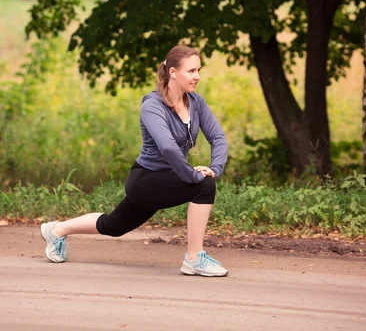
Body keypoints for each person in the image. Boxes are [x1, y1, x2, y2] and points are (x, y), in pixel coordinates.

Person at [40, 45, 229, 277]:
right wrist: (193, 176)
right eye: (191, 71)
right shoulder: (152, 106)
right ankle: (194, 258)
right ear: (172, 73)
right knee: (203, 187)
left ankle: (56, 230)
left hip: (169, 177)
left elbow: (218, 137)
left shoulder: (196, 103)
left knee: (114, 226)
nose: (197, 76)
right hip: (145, 180)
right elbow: (168, 148)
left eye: (199, 70)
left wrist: (214, 169)